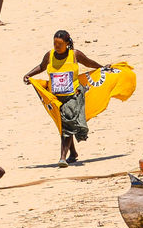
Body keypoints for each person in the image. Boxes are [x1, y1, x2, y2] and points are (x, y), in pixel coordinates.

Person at [22, 30, 104, 167]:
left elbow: (88, 63)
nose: (56, 46)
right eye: (55, 43)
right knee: (64, 124)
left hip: (73, 95)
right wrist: (29, 74)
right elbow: (42, 67)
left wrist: (102, 68)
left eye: (60, 44)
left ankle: (62, 157)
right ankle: (73, 153)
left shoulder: (75, 54)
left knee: (66, 123)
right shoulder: (49, 55)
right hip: (55, 97)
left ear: (67, 43)